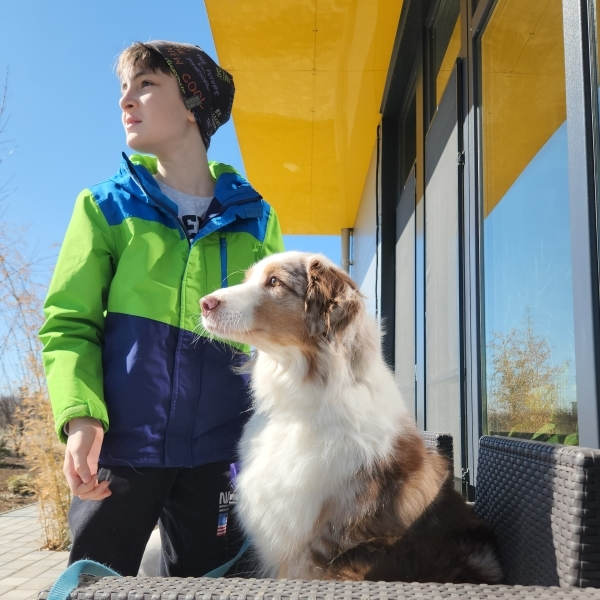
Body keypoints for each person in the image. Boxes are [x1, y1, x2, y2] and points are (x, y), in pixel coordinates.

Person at [38, 40, 284, 577]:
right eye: (124, 89)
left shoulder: (257, 220)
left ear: (194, 104)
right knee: (94, 584)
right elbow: (69, 324)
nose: (126, 100)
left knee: (221, 587)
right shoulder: (104, 207)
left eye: (146, 85)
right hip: (122, 446)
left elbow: (279, 336)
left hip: (223, 451)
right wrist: (81, 417)